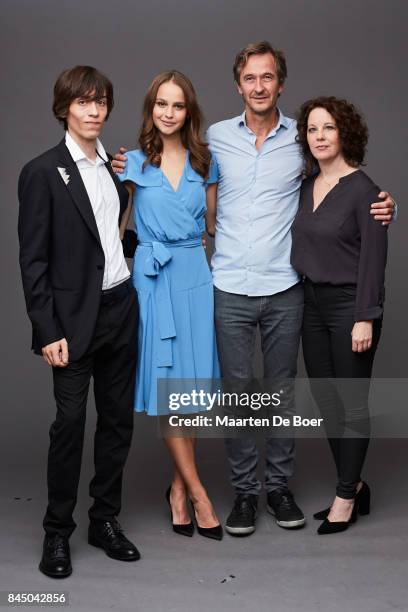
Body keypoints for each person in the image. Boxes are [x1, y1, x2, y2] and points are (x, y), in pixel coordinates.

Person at [113, 41, 395, 537]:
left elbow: (338, 176)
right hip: (225, 285)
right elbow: (175, 191)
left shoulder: (303, 140)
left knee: (282, 393)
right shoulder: (215, 141)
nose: (259, 86)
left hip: (286, 288)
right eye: (250, 78)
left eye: (268, 78)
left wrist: (379, 202)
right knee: (239, 394)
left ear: (280, 83)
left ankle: (279, 488)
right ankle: (245, 491)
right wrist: (124, 175)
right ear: (238, 84)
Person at [18, 66, 140, 578]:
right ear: (64, 107)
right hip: (71, 322)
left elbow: (111, 239)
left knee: (117, 423)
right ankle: (56, 532)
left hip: (120, 309)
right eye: (83, 101)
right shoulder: (43, 171)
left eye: (101, 101)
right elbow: (34, 260)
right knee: (70, 425)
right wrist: (47, 331)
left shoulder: (114, 169)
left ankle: (104, 520)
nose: (93, 110)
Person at [117, 70, 222, 540]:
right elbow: (114, 227)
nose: (168, 113)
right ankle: (198, 493)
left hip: (195, 274)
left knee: (192, 390)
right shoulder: (131, 163)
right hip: (153, 278)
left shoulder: (206, 162)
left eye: (177, 106)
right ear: (151, 107)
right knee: (167, 384)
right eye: (161, 103)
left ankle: (177, 489)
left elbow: (218, 228)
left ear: (189, 112)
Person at [291, 97, 388, 534]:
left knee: (351, 403)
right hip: (311, 305)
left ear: (344, 132)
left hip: (351, 307)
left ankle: (345, 496)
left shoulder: (366, 191)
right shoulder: (305, 184)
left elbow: (373, 258)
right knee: (327, 400)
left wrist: (365, 316)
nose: (320, 137)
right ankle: (355, 484)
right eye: (312, 129)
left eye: (328, 128)